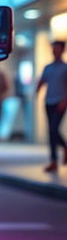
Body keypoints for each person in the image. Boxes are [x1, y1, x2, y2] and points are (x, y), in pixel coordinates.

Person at [36, 40, 67, 173]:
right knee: (51, 132)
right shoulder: (48, 67)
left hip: (60, 102)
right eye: (53, 48)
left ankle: (64, 148)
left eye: (58, 48)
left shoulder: (65, 68)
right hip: (48, 102)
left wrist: (64, 100)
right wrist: (37, 92)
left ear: (63, 50)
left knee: (54, 129)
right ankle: (53, 162)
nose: (55, 50)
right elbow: (42, 82)